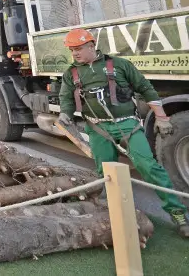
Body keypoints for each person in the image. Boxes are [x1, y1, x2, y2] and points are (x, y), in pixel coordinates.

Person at [58, 28, 188, 237]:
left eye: (79, 48)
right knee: (106, 173)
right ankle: (119, 215)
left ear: (91, 46)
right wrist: (65, 114)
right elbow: (65, 98)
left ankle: (179, 214)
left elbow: (146, 88)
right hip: (97, 127)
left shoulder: (119, 65)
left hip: (128, 124)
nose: (75, 53)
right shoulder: (71, 74)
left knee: (148, 166)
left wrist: (162, 118)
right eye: (72, 50)